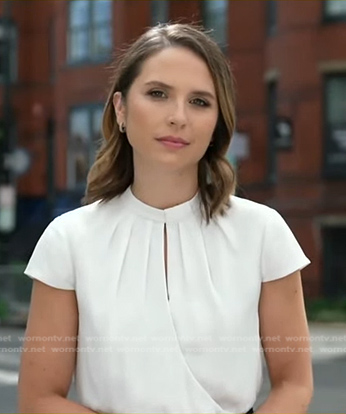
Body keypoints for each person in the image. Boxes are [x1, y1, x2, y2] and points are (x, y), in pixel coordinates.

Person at [18, 23, 313, 414]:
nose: (178, 117)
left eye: (200, 102)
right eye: (158, 94)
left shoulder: (262, 232)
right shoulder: (69, 240)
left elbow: (294, 383)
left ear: (216, 124)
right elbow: (39, 399)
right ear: (121, 109)